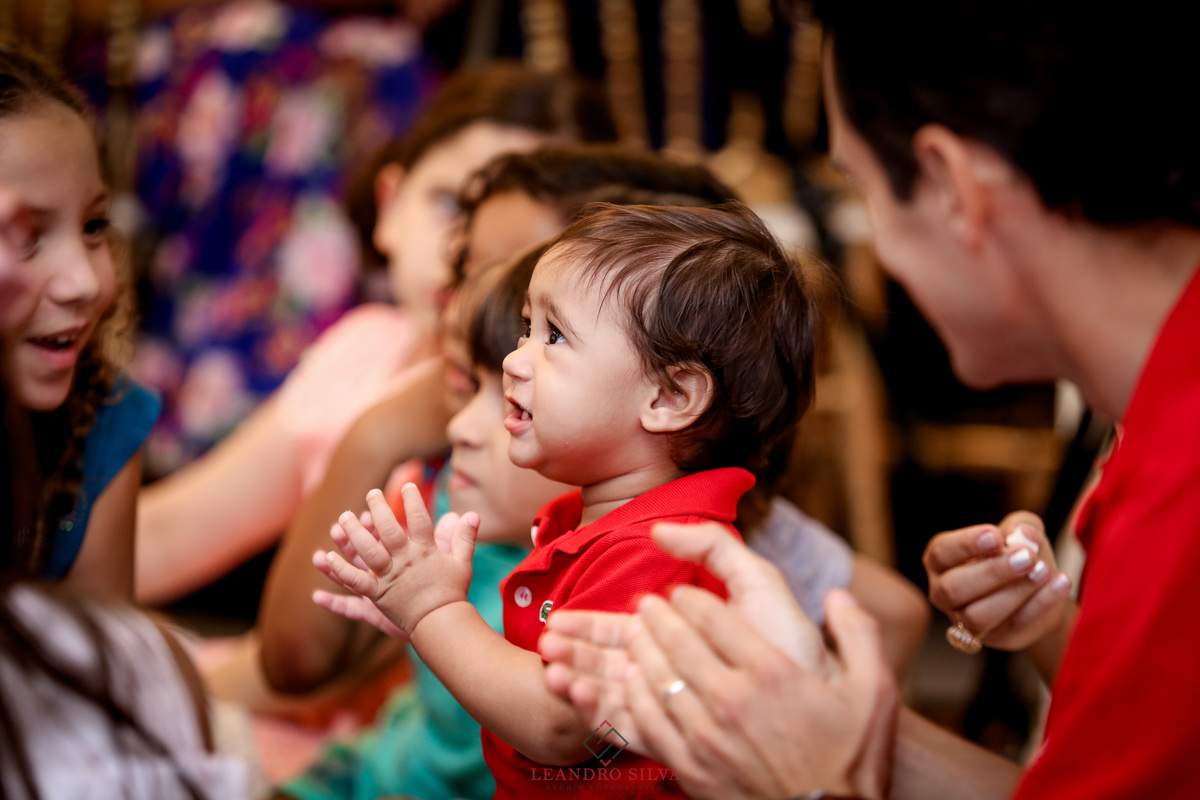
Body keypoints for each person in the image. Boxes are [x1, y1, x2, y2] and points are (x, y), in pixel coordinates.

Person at [536, 1, 1200, 798]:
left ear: (955, 187)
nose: (876, 248)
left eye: (859, 186)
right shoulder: (1158, 419)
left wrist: (822, 784)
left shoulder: (1184, 489)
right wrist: (809, 709)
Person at [315, 200, 817, 798]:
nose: (513, 360)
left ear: (669, 396)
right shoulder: (600, 530)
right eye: (527, 328)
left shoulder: (665, 553)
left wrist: (434, 615)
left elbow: (559, 724)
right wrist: (428, 619)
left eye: (553, 336)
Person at [134, 63, 617, 606]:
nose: (463, 252)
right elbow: (171, 534)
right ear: (391, 206)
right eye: (451, 204)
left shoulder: (546, 427)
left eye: (522, 237)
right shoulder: (363, 347)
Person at [273, 247, 570, 800]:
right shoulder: (448, 521)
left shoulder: (589, 585)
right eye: (466, 387)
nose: (460, 426)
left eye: (514, 407)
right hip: (367, 771)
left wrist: (436, 618)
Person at [1, 40, 159, 600]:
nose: (87, 283)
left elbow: (97, 677)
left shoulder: (102, 424)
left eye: (93, 226)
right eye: (27, 237)